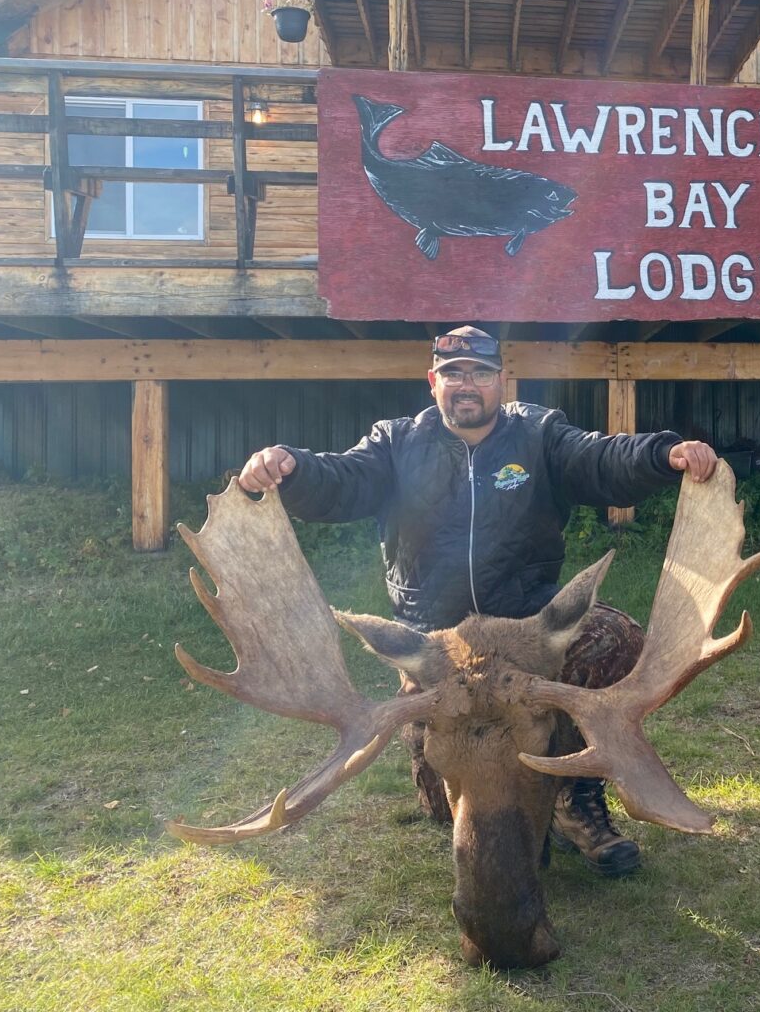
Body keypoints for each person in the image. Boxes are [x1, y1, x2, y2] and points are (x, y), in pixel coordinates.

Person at [237, 324, 719, 878]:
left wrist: (662, 454)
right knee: (448, 809)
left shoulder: (538, 434)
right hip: (436, 644)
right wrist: (291, 468)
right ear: (433, 382)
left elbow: (600, 459)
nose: (467, 384)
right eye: (454, 374)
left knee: (612, 639)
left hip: (525, 629)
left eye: (481, 373)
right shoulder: (396, 443)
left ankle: (573, 793)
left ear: (501, 381)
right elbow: (340, 480)